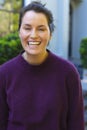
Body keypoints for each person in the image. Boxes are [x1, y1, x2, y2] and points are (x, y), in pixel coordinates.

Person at [0, 1, 84, 130]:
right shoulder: (4, 73)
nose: (33, 35)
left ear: (50, 34)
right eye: (27, 28)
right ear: (19, 32)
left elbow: (76, 124)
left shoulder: (68, 73)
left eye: (41, 29)